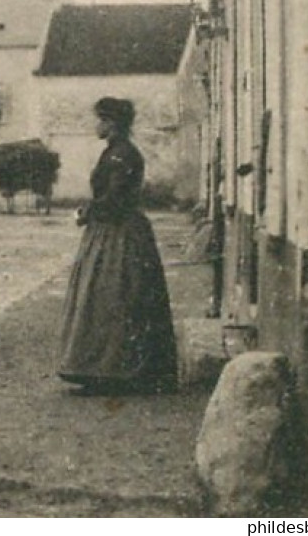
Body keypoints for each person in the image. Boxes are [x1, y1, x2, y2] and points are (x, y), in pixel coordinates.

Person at [58, 97, 179, 396]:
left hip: (119, 233)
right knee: (112, 298)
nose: (96, 125)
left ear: (112, 123)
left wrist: (87, 212)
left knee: (112, 298)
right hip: (113, 231)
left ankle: (111, 372)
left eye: (101, 119)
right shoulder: (116, 152)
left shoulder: (122, 155)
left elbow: (115, 199)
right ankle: (107, 370)